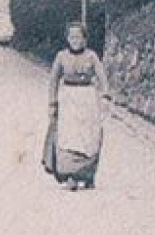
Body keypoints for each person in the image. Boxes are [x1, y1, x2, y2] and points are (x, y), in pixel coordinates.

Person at [43, 21, 111, 191]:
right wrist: (52, 102)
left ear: (85, 39)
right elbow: (53, 81)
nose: (75, 40)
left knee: (88, 137)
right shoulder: (61, 57)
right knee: (70, 136)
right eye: (72, 37)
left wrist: (105, 96)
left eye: (78, 37)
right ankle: (71, 176)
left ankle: (87, 176)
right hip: (68, 99)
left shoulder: (91, 56)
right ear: (67, 38)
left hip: (87, 98)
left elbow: (102, 78)